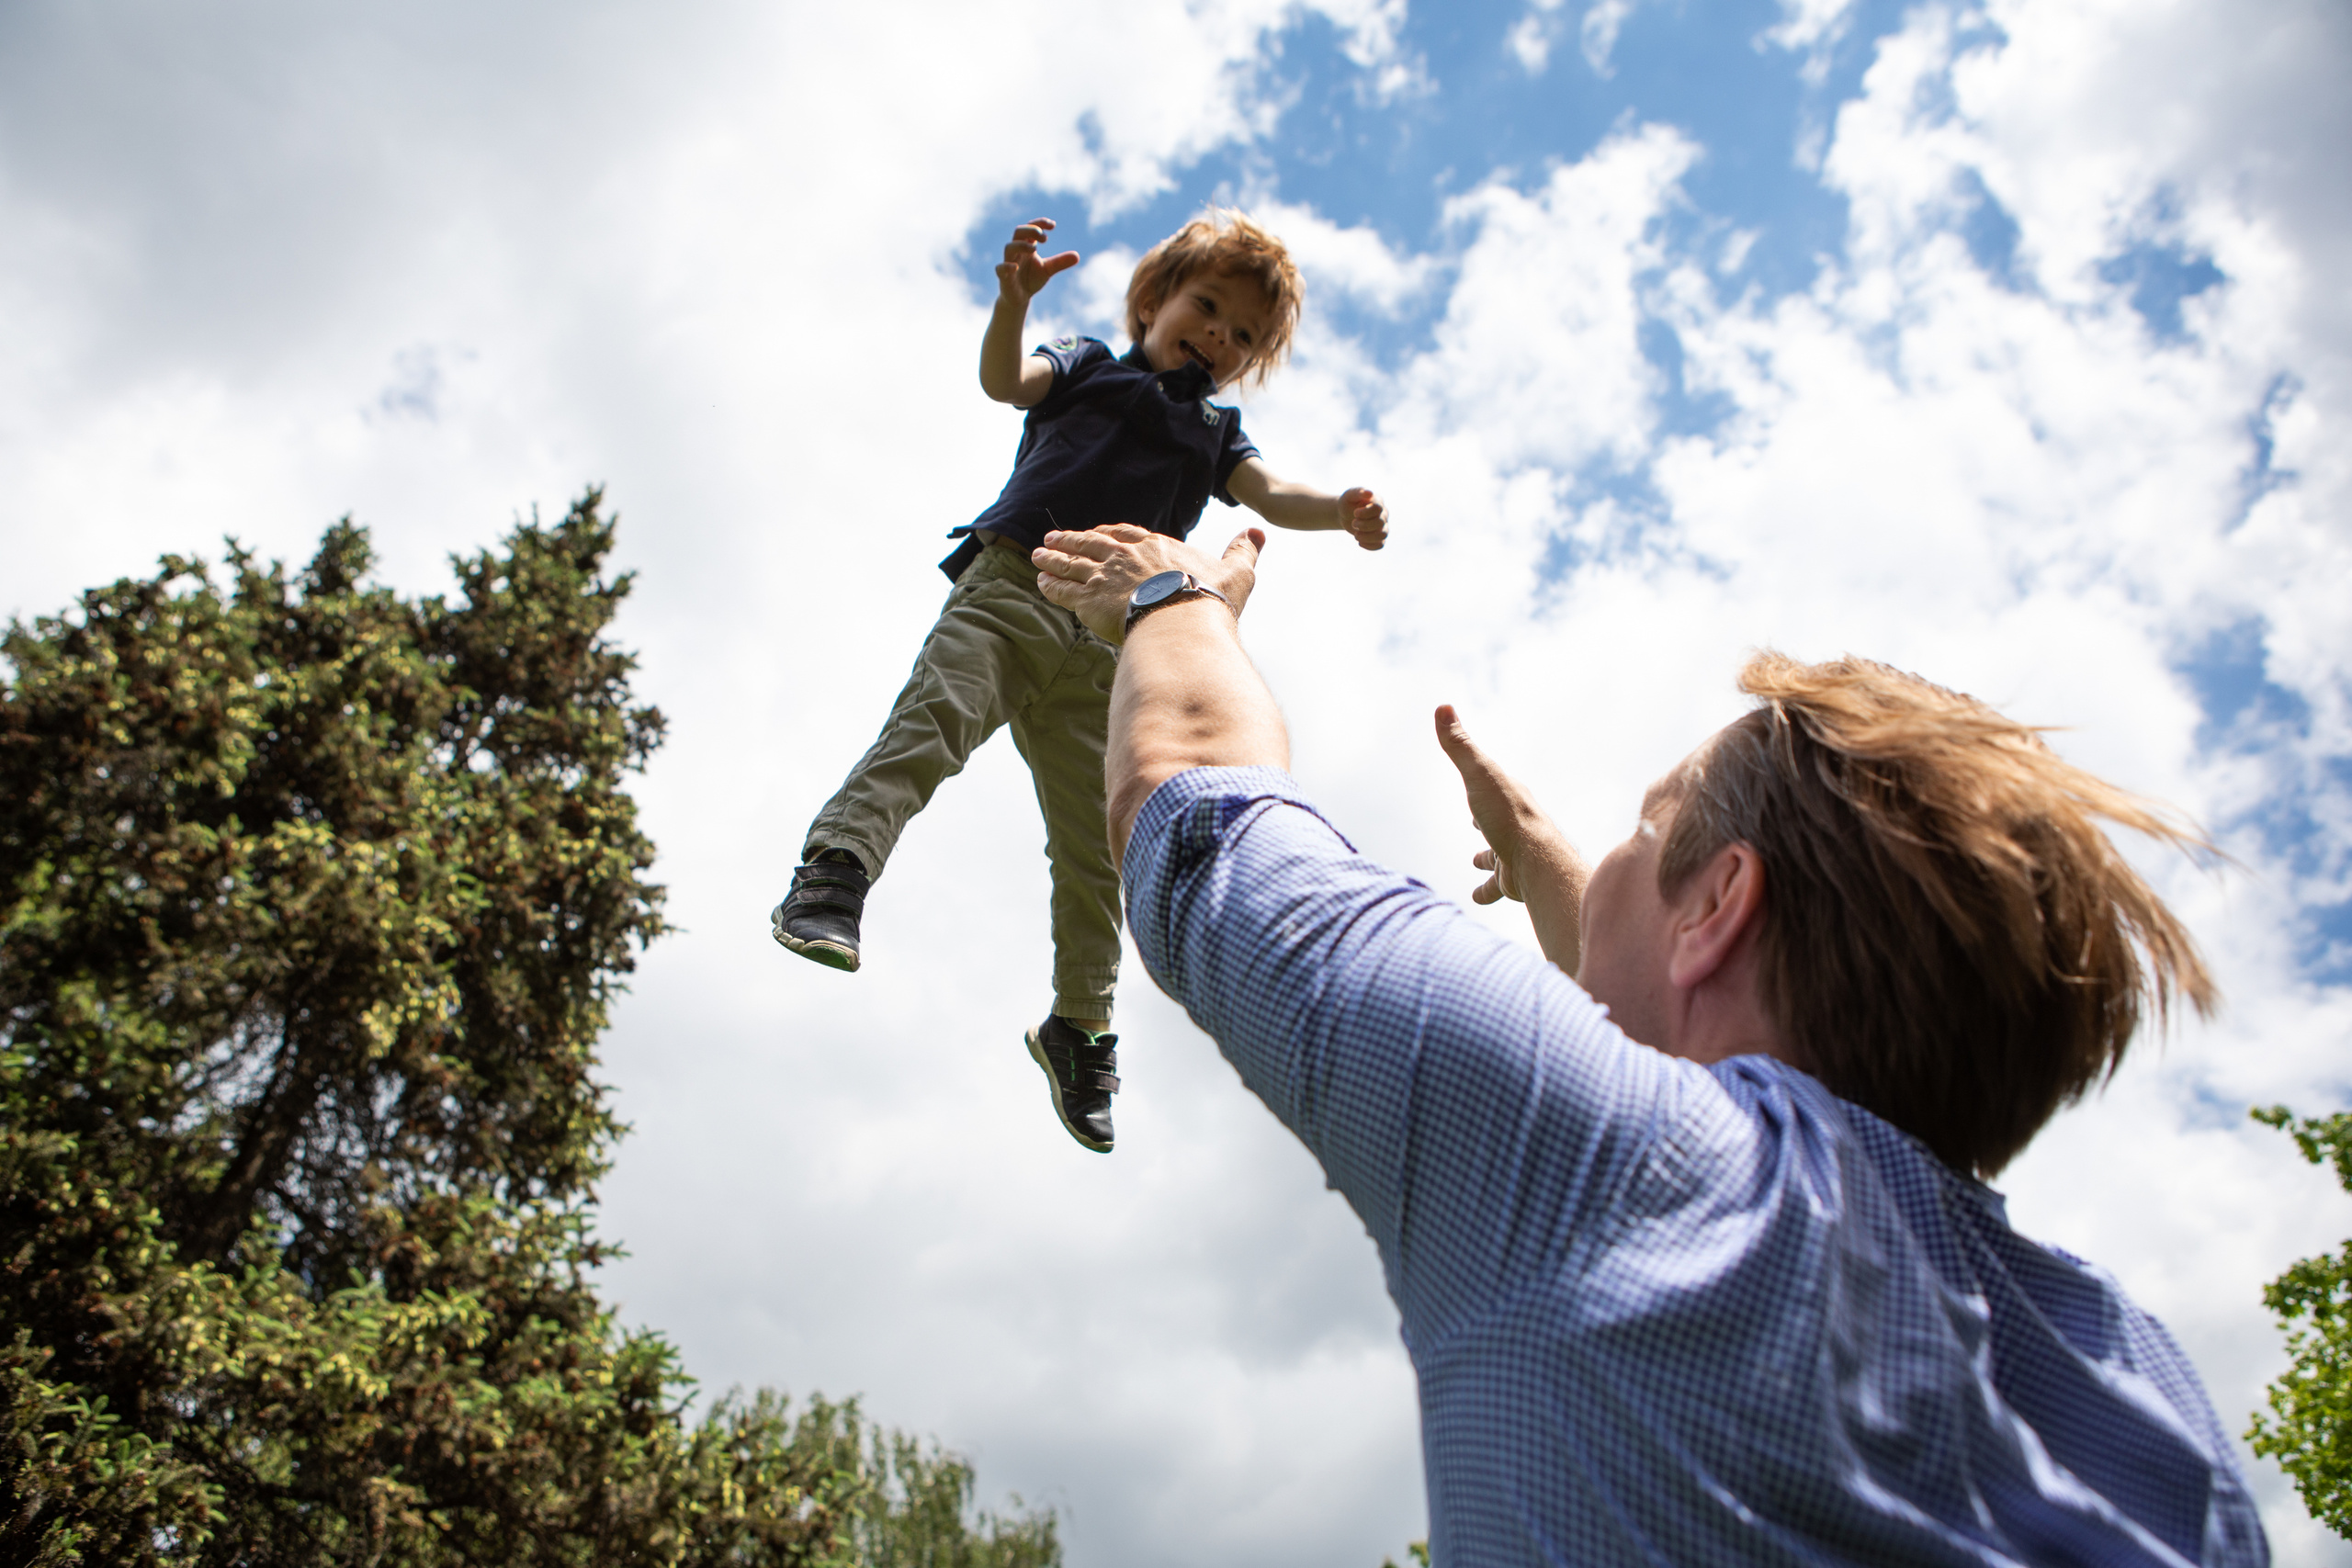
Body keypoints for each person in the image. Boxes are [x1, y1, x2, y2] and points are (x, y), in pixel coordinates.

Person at [1031, 522, 2268, 1566]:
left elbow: (1195, 796)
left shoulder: (1610, 1179)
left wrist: (1169, 595)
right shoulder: (2148, 1393)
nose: (1615, 849)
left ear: (1721, 905)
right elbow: (1693, 1067)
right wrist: (1582, 885)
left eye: (1646, 820)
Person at [772, 209, 1387, 1155]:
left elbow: (1270, 497)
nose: (1219, 337)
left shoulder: (1218, 429)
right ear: (1155, 299)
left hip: (1110, 645)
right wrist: (1012, 307)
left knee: (1101, 846)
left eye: (1244, 336)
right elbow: (1003, 381)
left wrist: (1337, 513)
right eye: (1208, 307)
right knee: (932, 725)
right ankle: (834, 872)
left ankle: (1080, 1028)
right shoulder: (1089, 362)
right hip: (1013, 587)